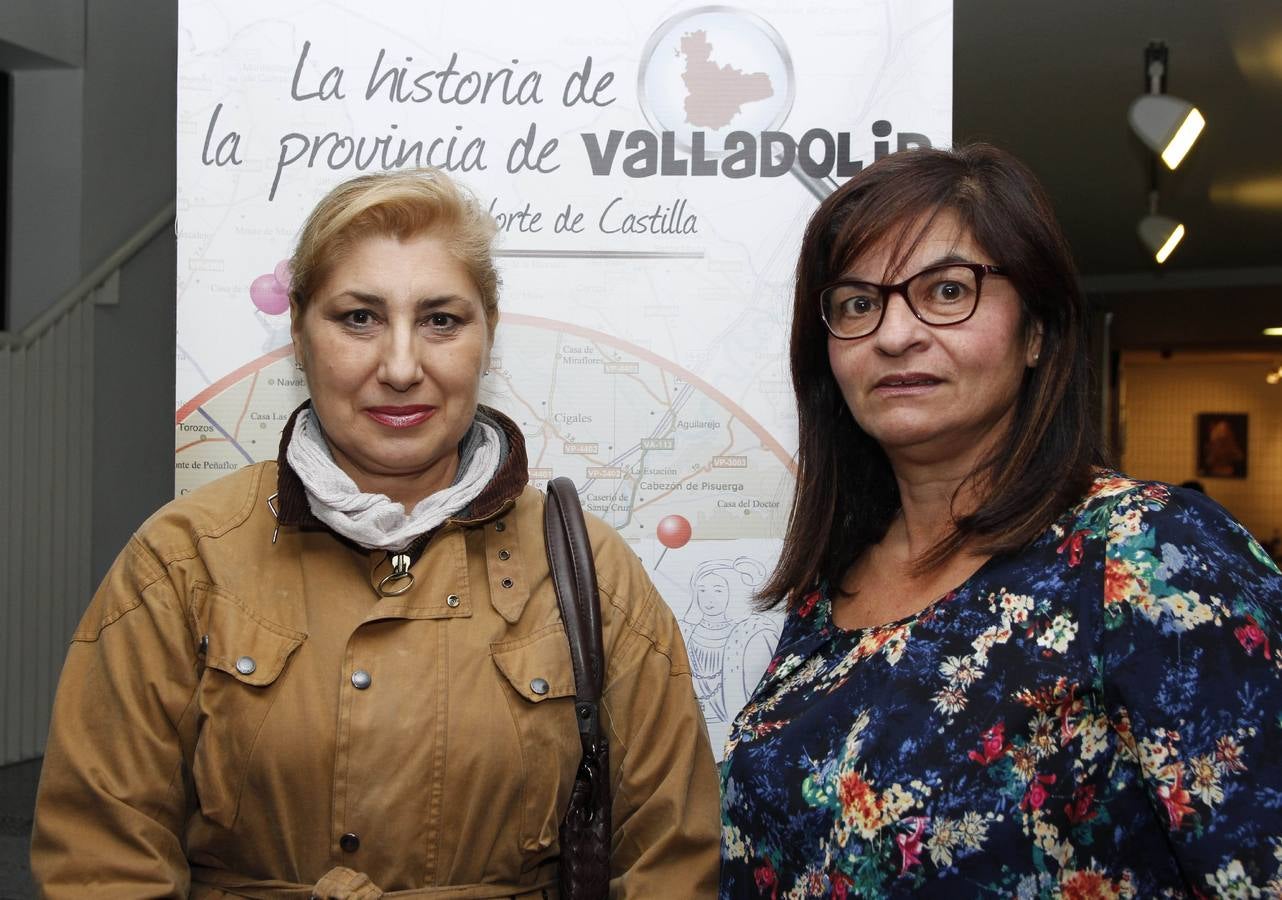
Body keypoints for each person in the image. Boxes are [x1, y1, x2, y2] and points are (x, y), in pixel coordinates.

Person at [32, 169, 721, 898]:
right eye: (359, 317)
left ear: (488, 332)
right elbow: (101, 860)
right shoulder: (182, 560)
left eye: (441, 320)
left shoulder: (588, 570)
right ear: (300, 333)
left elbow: (669, 859)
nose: (400, 367)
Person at [718, 145, 1282, 897]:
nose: (894, 334)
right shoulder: (828, 590)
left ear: (1038, 332)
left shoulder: (1153, 551)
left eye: (947, 290)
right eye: (858, 303)